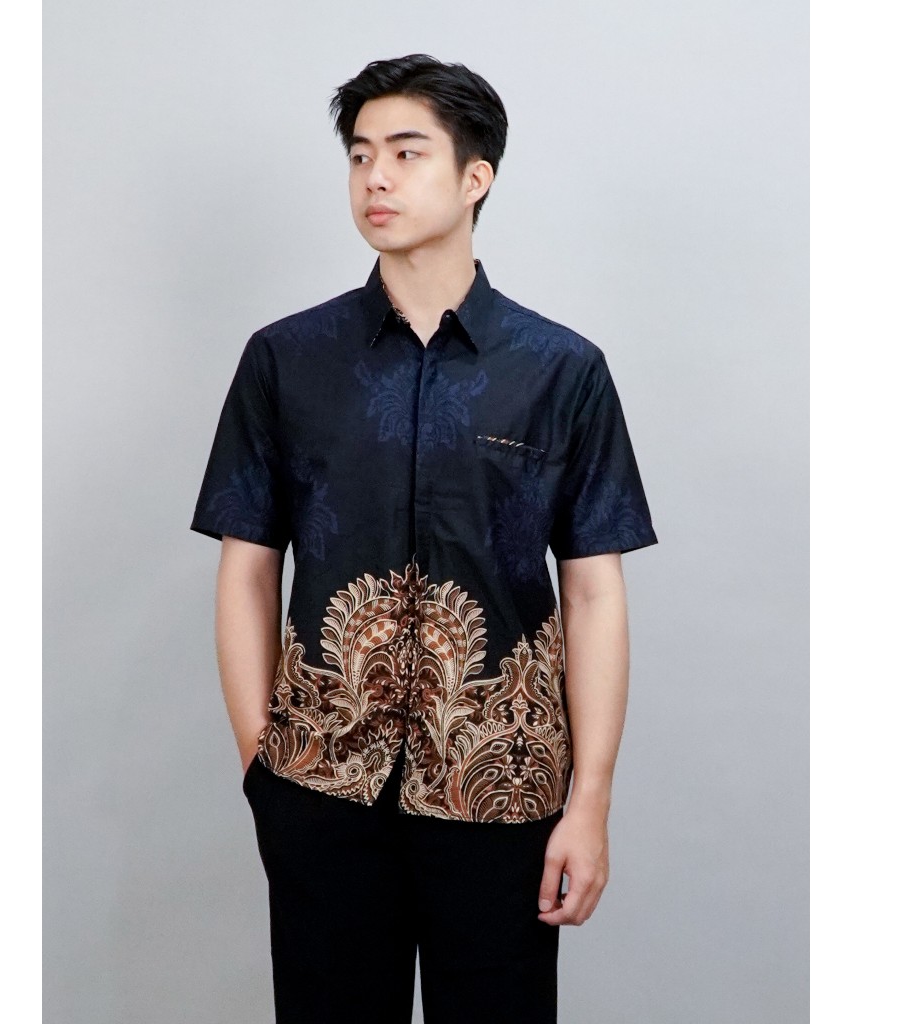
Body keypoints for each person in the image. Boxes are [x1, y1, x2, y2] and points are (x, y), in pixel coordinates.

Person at [190, 53, 657, 1024]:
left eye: (407, 153)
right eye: (361, 155)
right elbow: (247, 569)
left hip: (502, 788)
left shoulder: (561, 371)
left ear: (475, 176)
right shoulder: (286, 361)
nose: (376, 177)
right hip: (321, 781)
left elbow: (594, 591)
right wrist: (261, 763)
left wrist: (591, 802)